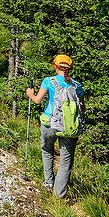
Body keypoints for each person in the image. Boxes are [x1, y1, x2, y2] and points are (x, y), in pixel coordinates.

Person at [25, 54, 85, 199]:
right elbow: (82, 108)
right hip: (69, 128)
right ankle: (58, 196)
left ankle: (48, 183)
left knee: (47, 151)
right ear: (69, 69)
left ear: (55, 66)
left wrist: (30, 94)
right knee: (66, 162)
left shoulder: (49, 81)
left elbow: (38, 100)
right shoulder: (77, 85)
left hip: (49, 124)